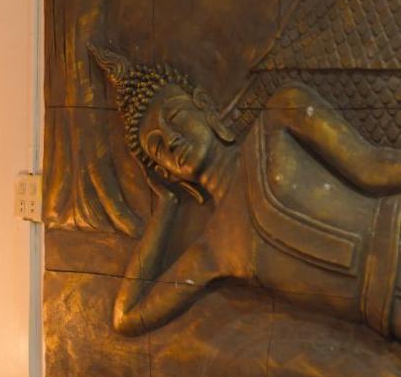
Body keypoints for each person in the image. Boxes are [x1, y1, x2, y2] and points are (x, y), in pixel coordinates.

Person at [90, 47, 401, 340]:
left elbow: (373, 167)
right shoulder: (214, 250)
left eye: (175, 118)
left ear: (204, 105)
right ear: (166, 173)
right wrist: (166, 207)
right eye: (157, 146)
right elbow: (127, 317)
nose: (171, 141)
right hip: (387, 306)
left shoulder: (281, 117)